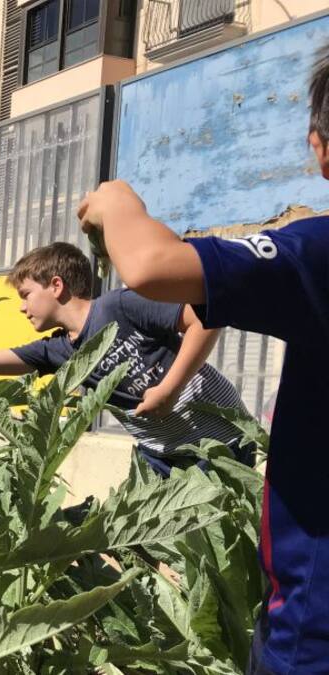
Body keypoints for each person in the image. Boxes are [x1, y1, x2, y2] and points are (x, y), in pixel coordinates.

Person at [75, 50, 329, 675]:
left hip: (313, 634)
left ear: (320, 149)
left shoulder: (320, 254)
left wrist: (116, 201)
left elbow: (154, 270)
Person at [0, 241, 253, 477]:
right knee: (139, 541)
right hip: (162, 451)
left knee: (229, 547)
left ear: (56, 285)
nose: (22, 308)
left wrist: (170, 389)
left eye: (26, 295)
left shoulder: (119, 306)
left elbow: (206, 318)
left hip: (221, 436)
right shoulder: (60, 351)